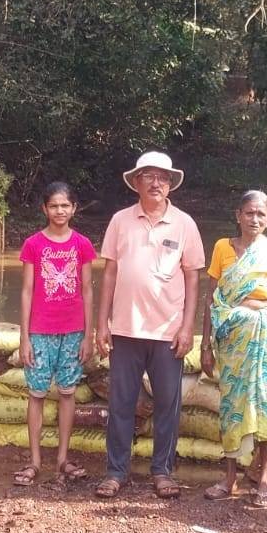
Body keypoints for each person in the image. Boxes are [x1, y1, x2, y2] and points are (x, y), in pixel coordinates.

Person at [93, 151, 204, 500]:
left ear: (170, 184)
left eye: (163, 177)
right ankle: (116, 471)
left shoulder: (184, 223)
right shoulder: (120, 221)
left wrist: (187, 327)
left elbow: (193, 278)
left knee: (168, 404)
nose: (156, 183)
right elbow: (109, 273)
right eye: (149, 176)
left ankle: (162, 471)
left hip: (168, 331)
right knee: (121, 403)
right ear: (136, 182)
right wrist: (102, 323)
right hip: (125, 328)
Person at [199, 190, 267, 507]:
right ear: (238, 216)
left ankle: (263, 477)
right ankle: (229, 478)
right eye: (249, 213)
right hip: (232, 342)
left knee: (266, 403)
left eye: (260, 214)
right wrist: (205, 345)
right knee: (232, 406)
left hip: (265, 340)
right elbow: (212, 298)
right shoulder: (222, 248)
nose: (254, 219)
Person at [14, 181, 96, 486]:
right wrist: (24, 337)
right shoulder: (33, 245)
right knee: (36, 394)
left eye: (65, 205)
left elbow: (87, 290)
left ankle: (62, 458)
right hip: (40, 331)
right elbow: (26, 291)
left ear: (74, 208)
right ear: (44, 209)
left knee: (67, 393)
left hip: (73, 330)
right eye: (54, 206)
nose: (59, 211)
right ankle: (34, 460)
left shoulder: (82, 244)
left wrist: (89, 335)